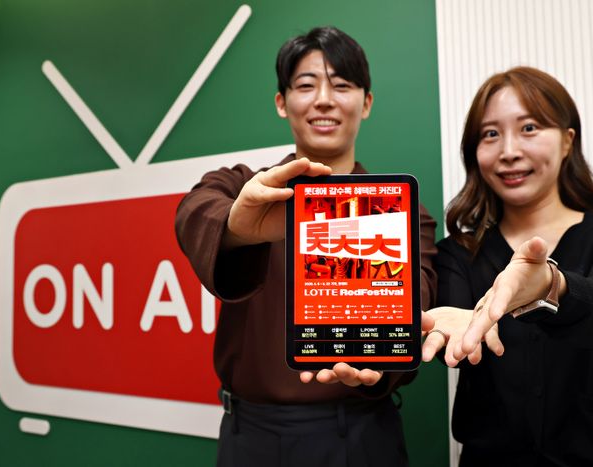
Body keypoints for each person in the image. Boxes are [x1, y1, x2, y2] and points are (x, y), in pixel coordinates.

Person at [175, 26, 437, 467]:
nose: (324, 100)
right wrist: (241, 227)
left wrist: (381, 353)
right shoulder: (246, 186)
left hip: (359, 431)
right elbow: (194, 209)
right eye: (306, 85)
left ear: (366, 103)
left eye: (342, 85)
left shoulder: (398, 212)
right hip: (250, 435)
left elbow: (420, 305)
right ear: (282, 102)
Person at [421, 66, 593, 466]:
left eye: (529, 128)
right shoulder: (457, 253)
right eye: (490, 134)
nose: (508, 151)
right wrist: (458, 325)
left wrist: (550, 286)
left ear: (567, 141)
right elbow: (456, 318)